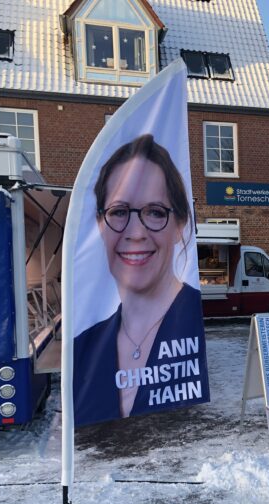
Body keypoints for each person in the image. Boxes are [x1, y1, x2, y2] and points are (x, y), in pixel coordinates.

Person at [73, 134, 208, 426]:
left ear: (180, 226)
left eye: (155, 212)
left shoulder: (188, 317)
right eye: (119, 212)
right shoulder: (83, 346)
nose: (136, 232)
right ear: (100, 224)